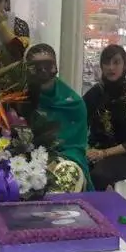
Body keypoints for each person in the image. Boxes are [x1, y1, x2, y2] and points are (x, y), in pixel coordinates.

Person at [83, 45, 126, 191]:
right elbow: (79, 122)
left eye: (116, 62)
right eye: (106, 63)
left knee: (98, 175)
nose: (111, 67)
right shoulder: (95, 94)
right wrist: (85, 150)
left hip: (122, 156)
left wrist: (104, 153)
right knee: (70, 169)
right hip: (92, 152)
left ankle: (100, 206)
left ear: (125, 65)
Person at [24, 44, 91, 192]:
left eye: (47, 66)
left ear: (55, 68)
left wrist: (54, 162)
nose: (43, 72)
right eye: (37, 68)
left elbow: (76, 147)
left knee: (65, 174)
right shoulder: (18, 98)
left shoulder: (73, 104)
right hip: (24, 160)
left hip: (64, 159)